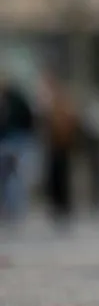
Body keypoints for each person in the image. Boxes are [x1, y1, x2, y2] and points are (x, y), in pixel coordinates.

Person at [40, 73, 79, 229]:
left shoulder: (63, 104)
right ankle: (56, 207)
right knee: (54, 178)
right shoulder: (51, 104)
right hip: (54, 146)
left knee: (62, 179)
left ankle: (63, 208)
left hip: (63, 147)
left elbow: (69, 125)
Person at [0, 72, 39, 226]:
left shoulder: (13, 100)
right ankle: (12, 209)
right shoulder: (13, 100)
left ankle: (14, 209)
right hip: (12, 140)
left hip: (15, 140)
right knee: (11, 176)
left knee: (12, 176)